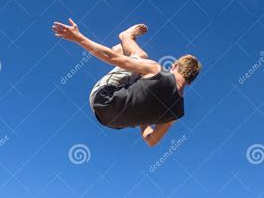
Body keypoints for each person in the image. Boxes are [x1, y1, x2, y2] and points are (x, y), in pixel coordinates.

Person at [53, 19, 202, 146]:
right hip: (109, 122)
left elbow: (111, 58)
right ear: (190, 82)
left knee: (140, 55)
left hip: (103, 97)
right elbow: (151, 140)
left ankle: (126, 37)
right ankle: (122, 49)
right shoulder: (177, 113)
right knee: (137, 71)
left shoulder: (156, 70)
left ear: (175, 66)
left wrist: (78, 37)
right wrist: (145, 118)